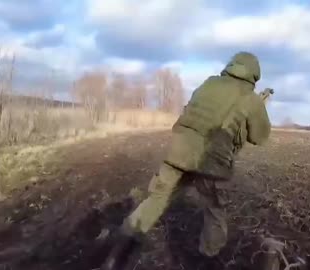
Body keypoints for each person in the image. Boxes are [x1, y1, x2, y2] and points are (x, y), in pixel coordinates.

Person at [101, 51, 271, 270]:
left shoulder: (209, 83)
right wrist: (259, 107)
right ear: (255, 75)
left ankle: (119, 248)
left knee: (158, 198)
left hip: (177, 154)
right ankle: (208, 258)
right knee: (214, 210)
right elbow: (260, 137)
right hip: (211, 162)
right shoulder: (250, 98)